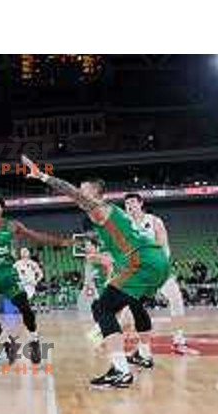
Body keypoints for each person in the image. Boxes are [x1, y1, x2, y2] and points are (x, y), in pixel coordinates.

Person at [22, 155, 170, 388]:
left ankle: (120, 370)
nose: (80, 195)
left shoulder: (99, 208)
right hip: (156, 261)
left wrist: (42, 176)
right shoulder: (110, 216)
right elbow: (112, 249)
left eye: (84, 191)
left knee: (102, 307)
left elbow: (71, 192)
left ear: (97, 193)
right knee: (132, 305)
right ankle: (142, 354)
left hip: (143, 263)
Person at [0, 194, 71, 365]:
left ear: (2, 209)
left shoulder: (12, 225)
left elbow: (34, 236)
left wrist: (58, 242)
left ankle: (34, 340)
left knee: (25, 309)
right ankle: (7, 342)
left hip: (8, 274)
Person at [123, 193, 189, 355]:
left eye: (132, 202)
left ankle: (179, 340)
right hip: (138, 271)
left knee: (176, 300)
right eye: (126, 204)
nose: (130, 206)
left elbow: (164, 245)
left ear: (140, 203)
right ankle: (124, 340)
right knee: (127, 308)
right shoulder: (125, 225)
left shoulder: (153, 221)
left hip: (159, 268)